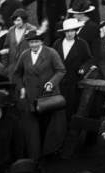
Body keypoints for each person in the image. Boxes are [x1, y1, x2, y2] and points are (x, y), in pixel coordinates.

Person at [13, 29, 66, 159]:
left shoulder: (51, 53)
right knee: (33, 127)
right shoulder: (24, 55)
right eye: (31, 42)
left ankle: (49, 152)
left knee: (48, 124)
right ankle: (35, 154)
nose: (34, 45)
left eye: (36, 42)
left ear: (41, 42)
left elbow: (61, 70)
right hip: (31, 96)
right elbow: (17, 74)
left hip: (47, 96)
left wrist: (51, 83)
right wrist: (21, 88)